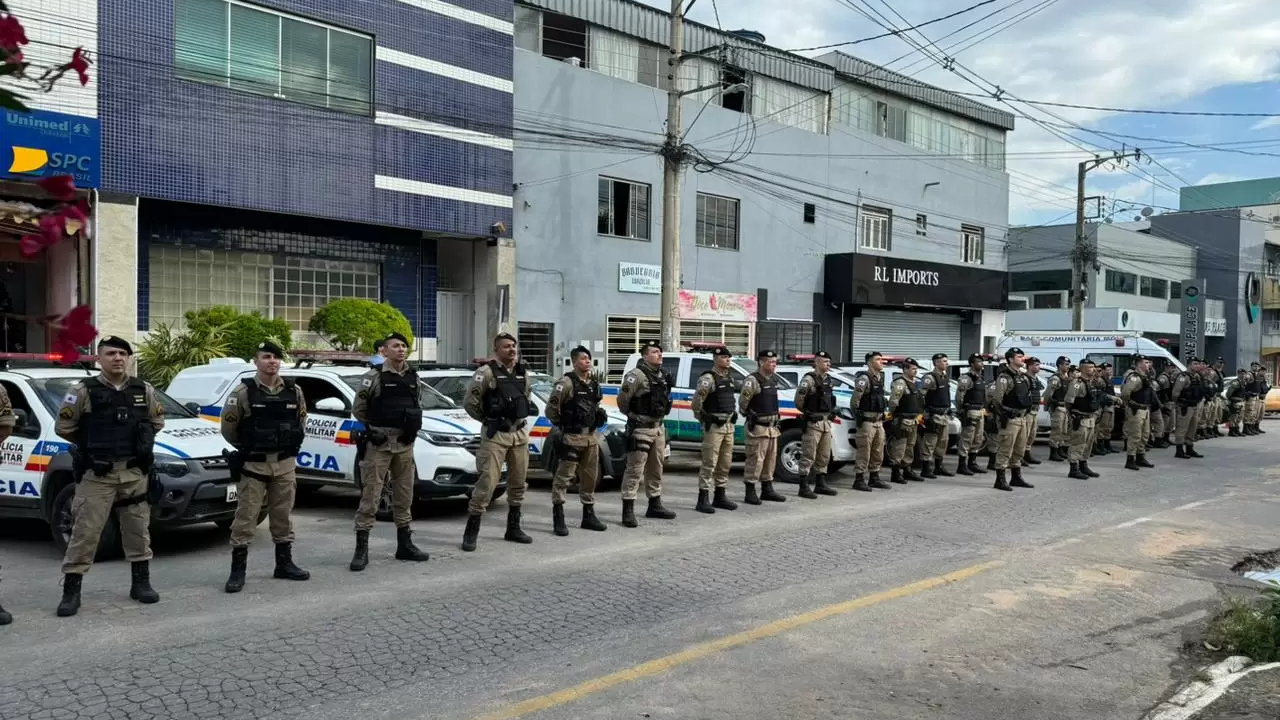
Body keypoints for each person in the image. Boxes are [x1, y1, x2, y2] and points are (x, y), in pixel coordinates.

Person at [55, 336, 164, 617]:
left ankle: (141, 584)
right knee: (85, 533)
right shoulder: (81, 391)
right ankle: (71, 591)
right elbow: (64, 426)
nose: (118, 358)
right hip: (97, 475)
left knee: (138, 530)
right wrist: (92, 445)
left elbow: (156, 422)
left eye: (123, 353)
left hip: (133, 472)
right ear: (100, 358)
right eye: (111, 353)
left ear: (128, 358)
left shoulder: (145, 390)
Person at [219, 341, 310, 593]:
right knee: (246, 518)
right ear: (256, 361)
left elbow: (301, 421)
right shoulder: (243, 392)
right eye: (267, 357)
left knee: (283, 517)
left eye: (276, 357)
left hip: (284, 465)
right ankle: (238, 571)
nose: (272, 361)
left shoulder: (295, 391)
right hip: (254, 466)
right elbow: (229, 429)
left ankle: (284, 564)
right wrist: (250, 447)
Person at [350, 332, 431, 567]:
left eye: (404, 345)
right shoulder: (373, 377)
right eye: (395, 346)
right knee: (371, 496)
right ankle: (361, 549)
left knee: (404, 495)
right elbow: (359, 409)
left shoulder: (413, 377)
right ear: (384, 351)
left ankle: (404, 544)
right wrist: (376, 427)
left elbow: (417, 405)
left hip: (404, 445)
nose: (401, 349)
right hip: (379, 445)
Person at [461, 332, 538, 550]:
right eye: (506, 346)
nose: (512, 349)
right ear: (496, 350)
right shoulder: (485, 373)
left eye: (514, 346)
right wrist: (488, 420)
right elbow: (470, 403)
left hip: (519, 435)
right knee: (487, 483)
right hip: (496, 435)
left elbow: (527, 399)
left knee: (518, 483)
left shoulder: (523, 373)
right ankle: (471, 531)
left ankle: (513, 528)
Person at [545, 346, 609, 534]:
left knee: (589, 478)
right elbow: (551, 410)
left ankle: (588, 515)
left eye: (588, 358)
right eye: (582, 358)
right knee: (564, 478)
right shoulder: (566, 383)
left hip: (590, 438)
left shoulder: (593, 384)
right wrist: (565, 426)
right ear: (574, 362)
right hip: (572, 438)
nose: (587, 361)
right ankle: (559, 516)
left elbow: (595, 406)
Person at [616, 341, 676, 526]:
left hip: (658, 427)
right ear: (644, 356)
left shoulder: (663, 375)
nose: (659, 354)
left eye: (660, 351)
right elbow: (623, 401)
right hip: (641, 428)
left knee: (656, 468)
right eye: (654, 352)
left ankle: (654, 505)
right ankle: (628, 510)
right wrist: (634, 417)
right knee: (635, 470)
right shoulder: (636, 376)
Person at [690, 347, 740, 513]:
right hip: (714, 427)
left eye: (728, 357)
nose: (728, 360)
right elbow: (697, 402)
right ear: (716, 359)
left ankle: (720, 495)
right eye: (724, 357)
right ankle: (703, 499)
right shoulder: (708, 378)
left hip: (728, 426)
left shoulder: (728, 378)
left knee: (725, 463)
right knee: (709, 462)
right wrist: (705, 419)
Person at [739, 349, 788, 502]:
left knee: (770, 461)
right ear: (761, 362)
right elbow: (743, 404)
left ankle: (767, 489)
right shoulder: (752, 380)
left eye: (775, 362)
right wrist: (751, 416)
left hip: (772, 428)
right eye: (770, 362)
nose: (774, 365)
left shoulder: (772, 380)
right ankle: (750, 490)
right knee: (755, 460)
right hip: (758, 427)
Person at [986, 347, 1034, 492]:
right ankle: (1000, 479)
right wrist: (1003, 416)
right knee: (1005, 449)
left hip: (1022, 418)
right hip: (1010, 418)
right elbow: (996, 400)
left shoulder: (1023, 376)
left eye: (1022, 356)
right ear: (1011, 359)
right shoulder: (1004, 377)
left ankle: (1016, 477)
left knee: (1019, 449)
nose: (1022, 359)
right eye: (1019, 357)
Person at [792, 351, 839, 498]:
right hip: (813, 423)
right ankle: (803, 486)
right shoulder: (809, 379)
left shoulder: (828, 379)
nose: (828, 364)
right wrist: (808, 412)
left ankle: (820, 484)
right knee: (808, 454)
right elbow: (799, 400)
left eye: (829, 362)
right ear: (817, 362)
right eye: (825, 361)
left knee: (824, 455)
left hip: (825, 423)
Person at [850, 352, 890, 491]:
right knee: (864, 451)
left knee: (878, 451)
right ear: (869, 363)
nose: (881, 361)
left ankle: (874, 477)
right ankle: (859, 479)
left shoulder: (880, 378)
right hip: (867, 421)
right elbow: (855, 401)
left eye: (881, 359)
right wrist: (859, 416)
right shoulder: (864, 378)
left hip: (879, 421)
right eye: (878, 359)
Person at [886, 358, 923, 485]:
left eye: (916, 369)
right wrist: (894, 414)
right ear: (905, 369)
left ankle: (907, 469)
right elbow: (893, 401)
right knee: (899, 446)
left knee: (910, 446)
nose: (915, 372)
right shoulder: (900, 383)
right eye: (913, 369)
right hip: (902, 420)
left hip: (913, 420)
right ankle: (895, 472)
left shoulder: (913, 382)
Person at [1064, 360, 1102, 480]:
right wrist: (1073, 416)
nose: (1093, 369)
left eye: (1093, 367)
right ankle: (1074, 469)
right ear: (1084, 369)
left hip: (1090, 417)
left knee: (1088, 444)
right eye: (1090, 367)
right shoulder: (1077, 383)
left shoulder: (1091, 383)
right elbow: (1068, 401)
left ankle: (1083, 465)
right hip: (1080, 418)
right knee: (1078, 444)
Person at [918, 353, 954, 479]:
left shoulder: (944, 377)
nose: (947, 363)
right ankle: (926, 468)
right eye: (944, 361)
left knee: (943, 442)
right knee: (930, 442)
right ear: (937, 363)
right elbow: (921, 396)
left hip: (944, 414)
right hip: (934, 415)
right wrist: (926, 414)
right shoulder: (930, 378)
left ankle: (938, 467)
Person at [953, 353, 988, 476]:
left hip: (979, 410)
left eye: (981, 361)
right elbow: (959, 397)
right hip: (970, 411)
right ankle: (962, 465)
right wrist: (962, 410)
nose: (981, 364)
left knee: (978, 438)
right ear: (972, 364)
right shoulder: (966, 378)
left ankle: (972, 463)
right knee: (967, 438)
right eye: (978, 362)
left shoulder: (981, 378)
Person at [1120, 355, 1156, 471]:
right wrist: (1130, 404)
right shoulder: (1134, 377)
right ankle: (1130, 459)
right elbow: (1125, 393)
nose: (1149, 364)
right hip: (1136, 410)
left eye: (1149, 362)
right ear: (1139, 364)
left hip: (1145, 409)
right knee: (1135, 435)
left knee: (1145, 435)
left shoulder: (1145, 376)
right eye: (1146, 362)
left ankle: (1140, 457)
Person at [1171, 358, 1206, 459]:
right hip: (1184, 406)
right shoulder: (1183, 376)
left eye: (1198, 364)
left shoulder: (1197, 376)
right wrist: (1179, 403)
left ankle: (1190, 448)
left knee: (1192, 427)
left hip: (1194, 405)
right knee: (1182, 428)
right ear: (1189, 365)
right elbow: (1175, 393)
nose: (1197, 366)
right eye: (1195, 364)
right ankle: (1179, 450)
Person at [1044, 356, 1072, 462]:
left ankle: (1060, 450)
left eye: (1068, 364)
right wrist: (1048, 406)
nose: (1068, 366)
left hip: (1065, 408)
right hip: (1058, 408)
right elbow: (1048, 395)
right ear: (1060, 365)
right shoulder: (1055, 378)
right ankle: (1053, 452)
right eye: (1066, 364)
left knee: (1063, 430)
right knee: (1057, 430)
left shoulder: (1066, 377)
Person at [1021, 357, 1045, 466]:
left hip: (1035, 410)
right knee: (1024, 435)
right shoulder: (1025, 378)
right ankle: (1020, 456)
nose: (1038, 367)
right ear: (1030, 366)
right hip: (1028, 411)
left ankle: (1027, 454)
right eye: (1036, 365)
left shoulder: (1036, 378)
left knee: (1032, 434)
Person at [1092, 363, 1116, 455]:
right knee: (1102, 427)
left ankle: (1107, 445)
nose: (1110, 371)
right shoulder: (1100, 380)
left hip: (1110, 405)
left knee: (1109, 426)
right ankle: (1100, 446)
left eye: (1111, 369)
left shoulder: (1108, 380)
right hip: (1104, 406)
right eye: (1108, 369)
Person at [1226, 368, 1249, 437]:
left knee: (1239, 417)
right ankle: (1232, 431)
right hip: (1236, 402)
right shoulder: (1235, 382)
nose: (1242, 375)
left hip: (1241, 402)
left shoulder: (1243, 383)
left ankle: (1236, 429)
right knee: (1234, 417)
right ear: (1238, 374)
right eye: (1241, 374)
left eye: (1244, 374)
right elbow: (1229, 393)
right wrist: (1231, 400)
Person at [1249, 362, 1269, 434]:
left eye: (1264, 371)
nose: (1263, 372)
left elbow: (1264, 388)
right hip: (1258, 398)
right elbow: (1257, 388)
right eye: (1262, 370)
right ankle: (1252, 428)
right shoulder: (1257, 377)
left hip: (1263, 398)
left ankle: (1257, 427)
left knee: (1261, 414)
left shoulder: (1263, 379)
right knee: (1255, 414)